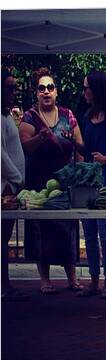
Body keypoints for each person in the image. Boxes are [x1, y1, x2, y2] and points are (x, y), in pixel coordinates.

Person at [18, 67, 84, 295]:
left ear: (56, 92)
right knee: (40, 231)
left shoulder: (68, 115)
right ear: (36, 93)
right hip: (38, 184)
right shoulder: (29, 117)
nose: (46, 92)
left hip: (64, 182)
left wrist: (80, 172)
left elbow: (80, 147)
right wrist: (40, 137)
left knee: (67, 230)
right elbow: (24, 146)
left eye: (50, 87)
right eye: (41, 88)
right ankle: (44, 280)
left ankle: (73, 278)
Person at [78, 70, 106, 298]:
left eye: (87, 88)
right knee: (89, 231)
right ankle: (93, 279)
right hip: (91, 178)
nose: (84, 92)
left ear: (97, 89)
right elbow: (86, 149)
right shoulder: (87, 116)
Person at [1, 68, 28, 301]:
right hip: (6, 185)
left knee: (4, 239)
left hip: (11, 185)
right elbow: (1, 155)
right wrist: (17, 179)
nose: (13, 92)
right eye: (8, 87)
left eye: (13, 87)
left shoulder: (6, 115)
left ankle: (5, 284)